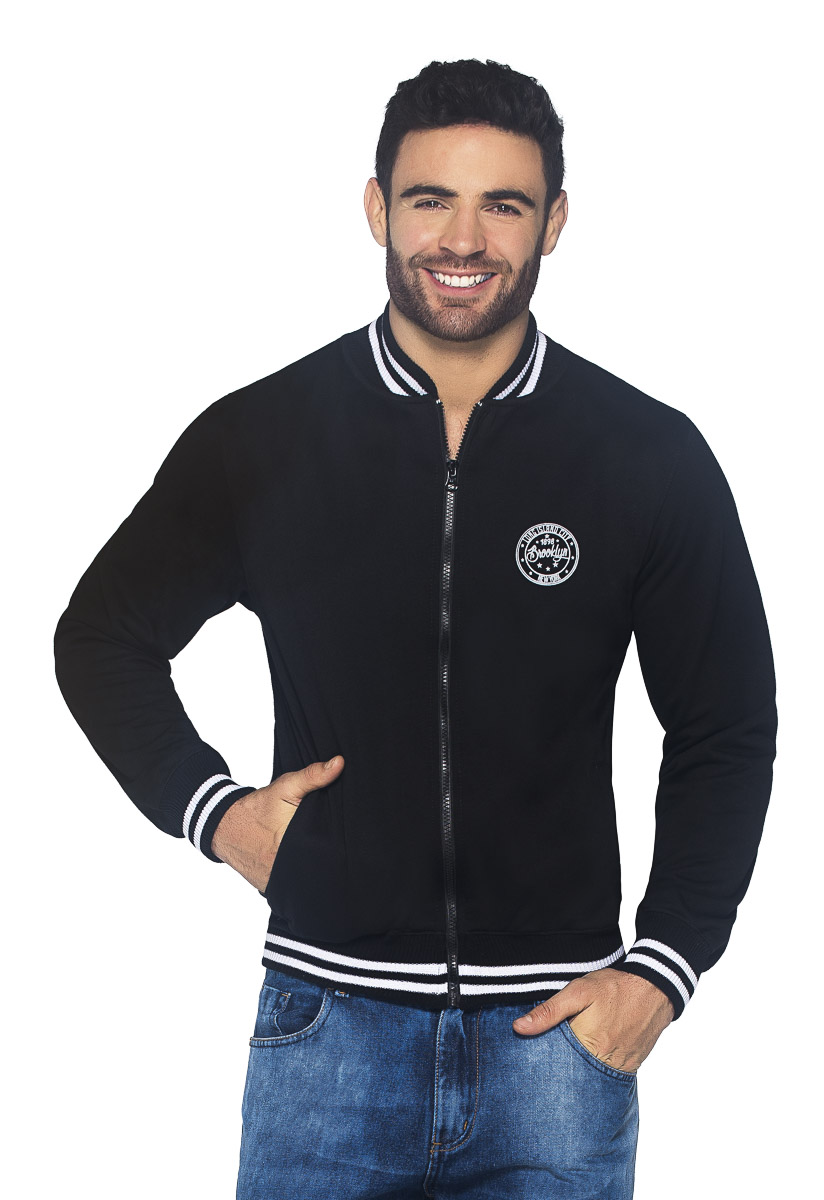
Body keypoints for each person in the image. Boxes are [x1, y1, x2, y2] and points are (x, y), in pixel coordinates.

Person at [53, 58, 777, 1199]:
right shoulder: (263, 437)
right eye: (431, 198)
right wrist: (218, 815)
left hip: (558, 1045)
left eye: (505, 204)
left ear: (555, 222)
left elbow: (724, 727)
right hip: (324, 1034)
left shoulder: (647, 454)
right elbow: (100, 636)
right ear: (376, 207)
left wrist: (663, 968)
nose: (465, 239)